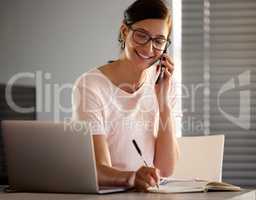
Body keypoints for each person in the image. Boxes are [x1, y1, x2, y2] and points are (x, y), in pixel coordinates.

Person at [72, 0, 179, 192]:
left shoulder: (163, 83)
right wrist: (132, 178)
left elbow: (165, 169)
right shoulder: (91, 85)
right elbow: (97, 169)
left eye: (159, 41)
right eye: (141, 36)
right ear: (124, 32)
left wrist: (163, 102)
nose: (148, 48)